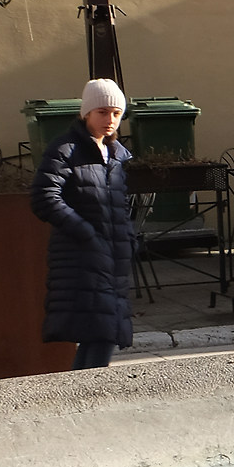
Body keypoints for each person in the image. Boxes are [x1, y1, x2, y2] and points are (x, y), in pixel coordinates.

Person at [31, 77, 137, 369]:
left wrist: (128, 238)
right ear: (86, 113)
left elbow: (117, 205)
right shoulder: (66, 149)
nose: (110, 119)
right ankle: (85, 396)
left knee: (102, 333)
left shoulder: (115, 155)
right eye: (102, 111)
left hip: (111, 257)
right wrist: (86, 234)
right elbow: (43, 198)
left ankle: (82, 394)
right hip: (80, 257)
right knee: (101, 332)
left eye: (116, 113)